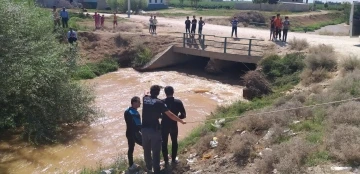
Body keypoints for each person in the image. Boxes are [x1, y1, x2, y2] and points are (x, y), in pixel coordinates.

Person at [142, 85, 186, 174]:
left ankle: (159, 164)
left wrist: (146, 90)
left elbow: (145, 93)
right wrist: (181, 120)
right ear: (173, 91)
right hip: (170, 126)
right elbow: (174, 115)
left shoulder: (146, 99)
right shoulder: (163, 102)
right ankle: (172, 160)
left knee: (160, 145)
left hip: (158, 127)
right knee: (172, 142)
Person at [161, 86, 186, 167]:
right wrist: (178, 118)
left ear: (165, 93)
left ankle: (166, 161)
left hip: (164, 125)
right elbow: (183, 114)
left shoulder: (161, 102)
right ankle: (174, 159)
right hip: (173, 124)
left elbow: (157, 114)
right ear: (173, 92)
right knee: (174, 141)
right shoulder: (178, 102)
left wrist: (163, 117)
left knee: (164, 143)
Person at [124, 96, 143, 171]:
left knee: (131, 148)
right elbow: (138, 125)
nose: (140, 103)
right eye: (139, 102)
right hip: (135, 133)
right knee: (146, 144)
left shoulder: (127, 110)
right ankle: (149, 161)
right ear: (134, 103)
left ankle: (131, 165)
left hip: (128, 132)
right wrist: (143, 133)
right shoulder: (135, 113)